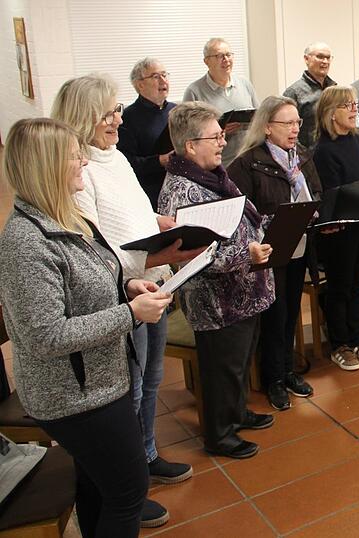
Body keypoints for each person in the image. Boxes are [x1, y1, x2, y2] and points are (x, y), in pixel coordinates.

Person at [0, 117, 172, 537]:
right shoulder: (26, 242)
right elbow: (45, 335)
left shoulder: (68, 217)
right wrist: (130, 314)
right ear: (45, 166)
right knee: (129, 492)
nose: (84, 162)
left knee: (100, 487)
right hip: (73, 395)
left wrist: (126, 286)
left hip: (100, 381)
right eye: (74, 156)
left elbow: (89, 279)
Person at [51, 73, 209, 528]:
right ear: (82, 116)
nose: (118, 120)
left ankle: (147, 455)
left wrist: (162, 222)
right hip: (121, 295)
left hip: (149, 283)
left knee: (152, 380)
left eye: (118, 110)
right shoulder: (79, 171)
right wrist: (161, 254)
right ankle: (128, 486)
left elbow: (132, 213)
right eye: (108, 113)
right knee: (131, 390)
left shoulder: (115, 156)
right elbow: (94, 247)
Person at [158, 101, 276, 460]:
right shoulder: (183, 191)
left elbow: (240, 219)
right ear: (191, 146)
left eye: (222, 135)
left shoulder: (211, 174)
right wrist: (246, 254)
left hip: (243, 291)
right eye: (215, 137)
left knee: (238, 363)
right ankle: (219, 434)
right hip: (216, 301)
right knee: (221, 369)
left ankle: (236, 413)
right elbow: (194, 254)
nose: (224, 142)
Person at [228, 96, 321, 410]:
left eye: (297, 122)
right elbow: (240, 214)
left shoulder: (301, 157)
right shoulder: (247, 163)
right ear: (267, 127)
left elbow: (316, 192)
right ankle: (274, 380)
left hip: (300, 244)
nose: (295, 129)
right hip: (268, 250)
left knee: (291, 311)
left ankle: (287, 370)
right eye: (287, 123)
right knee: (274, 316)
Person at [312, 86, 359, 370]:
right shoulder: (323, 150)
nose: (355, 110)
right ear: (331, 113)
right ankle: (339, 343)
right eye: (348, 105)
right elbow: (333, 194)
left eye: (355, 104)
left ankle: (356, 337)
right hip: (339, 229)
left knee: (357, 283)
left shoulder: (354, 140)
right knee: (340, 286)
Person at [182, 38, 259, 168]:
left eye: (228, 54)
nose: (226, 59)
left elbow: (259, 118)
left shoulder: (244, 83)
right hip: (218, 166)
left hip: (249, 160)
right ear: (206, 61)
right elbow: (189, 135)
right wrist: (218, 131)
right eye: (219, 56)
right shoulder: (194, 91)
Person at [117, 57, 175, 209]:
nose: (163, 80)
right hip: (150, 194)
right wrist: (159, 161)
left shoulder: (177, 111)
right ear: (140, 84)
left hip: (179, 188)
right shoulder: (127, 118)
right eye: (156, 76)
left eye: (164, 75)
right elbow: (127, 162)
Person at [283, 42, 336, 151]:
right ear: (306, 59)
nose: (325, 61)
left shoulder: (334, 89)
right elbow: (286, 129)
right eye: (320, 57)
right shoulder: (293, 92)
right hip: (309, 156)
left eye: (328, 58)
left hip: (335, 151)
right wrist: (303, 155)